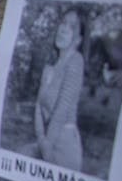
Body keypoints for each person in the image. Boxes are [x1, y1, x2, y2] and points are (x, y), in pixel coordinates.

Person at [33, 9, 85, 170]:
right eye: (63, 23)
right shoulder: (50, 68)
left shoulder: (76, 61)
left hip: (64, 143)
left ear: (78, 39)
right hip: (45, 141)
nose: (63, 29)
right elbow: (38, 107)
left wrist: (47, 145)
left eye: (71, 26)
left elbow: (62, 109)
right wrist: (42, 139)